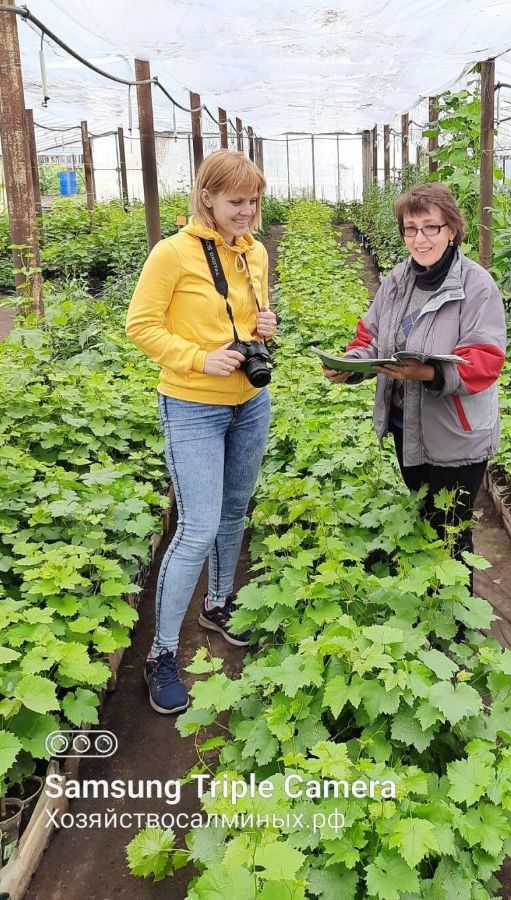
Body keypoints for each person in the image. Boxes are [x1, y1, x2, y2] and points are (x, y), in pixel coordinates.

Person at [126, 150, 277, 714]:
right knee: (195, 527)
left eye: (254, 201)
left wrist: (265, 324)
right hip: (193, 406)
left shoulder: (255, 252)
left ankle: (218, 602)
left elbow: (249, 316)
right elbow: (140, 325)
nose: (247, 211)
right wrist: (196, 358)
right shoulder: (172, 253)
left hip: (251, 402)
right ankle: (161, 653)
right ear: (207, 197)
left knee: (235, 511)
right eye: (236, 201)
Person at [323, 182, 505, 586]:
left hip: (456, 435)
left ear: (452, 230)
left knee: (452, 533)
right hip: (407, 429)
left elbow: (486, 359)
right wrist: (350, 366)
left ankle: (457, 621)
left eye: (430, 228)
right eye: (410, 229)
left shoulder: (475, 286)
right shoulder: (397, 281)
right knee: (424, 519)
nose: (419, 239)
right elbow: (368, 336)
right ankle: (429, 609)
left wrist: (429, 373)